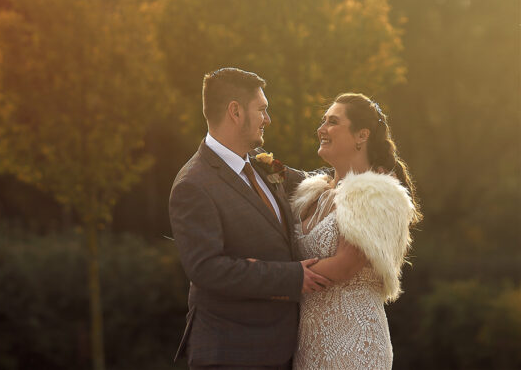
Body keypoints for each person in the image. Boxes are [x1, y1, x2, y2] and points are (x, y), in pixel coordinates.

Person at [169, 68, 330, 369]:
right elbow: (206, 269)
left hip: (282, 349)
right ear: (235, 111)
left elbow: (318, 185)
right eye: (262, 110)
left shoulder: (260, 166)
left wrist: (371, 174)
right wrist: (292, 277)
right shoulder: (193, 184)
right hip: (232, 352)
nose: (267, 119)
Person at [291, 93, 420, 370]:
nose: (321, 129)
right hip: (309, 343)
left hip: (353, 342)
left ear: (362, 135)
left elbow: (343, 266)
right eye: (323, 120)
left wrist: (273, 278)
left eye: (333, 122)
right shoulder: (315, 194)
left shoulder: (374, 192)